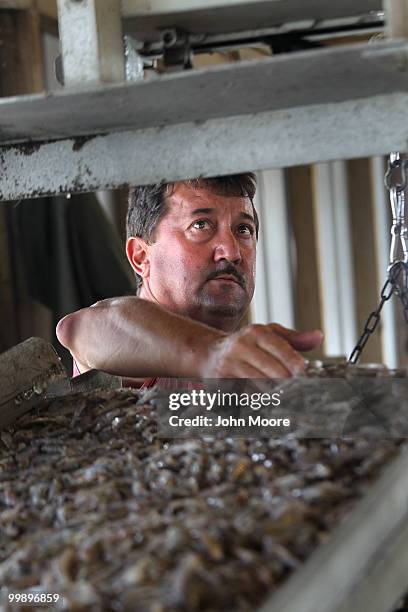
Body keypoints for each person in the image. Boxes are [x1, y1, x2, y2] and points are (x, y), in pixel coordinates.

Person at [56, 174, 323, 385]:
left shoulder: (244, 369)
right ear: (140, 256)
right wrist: (212, 352)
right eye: (201, 225)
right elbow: (79, 329)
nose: (231, 252)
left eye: (243, 229)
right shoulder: (126, 355)